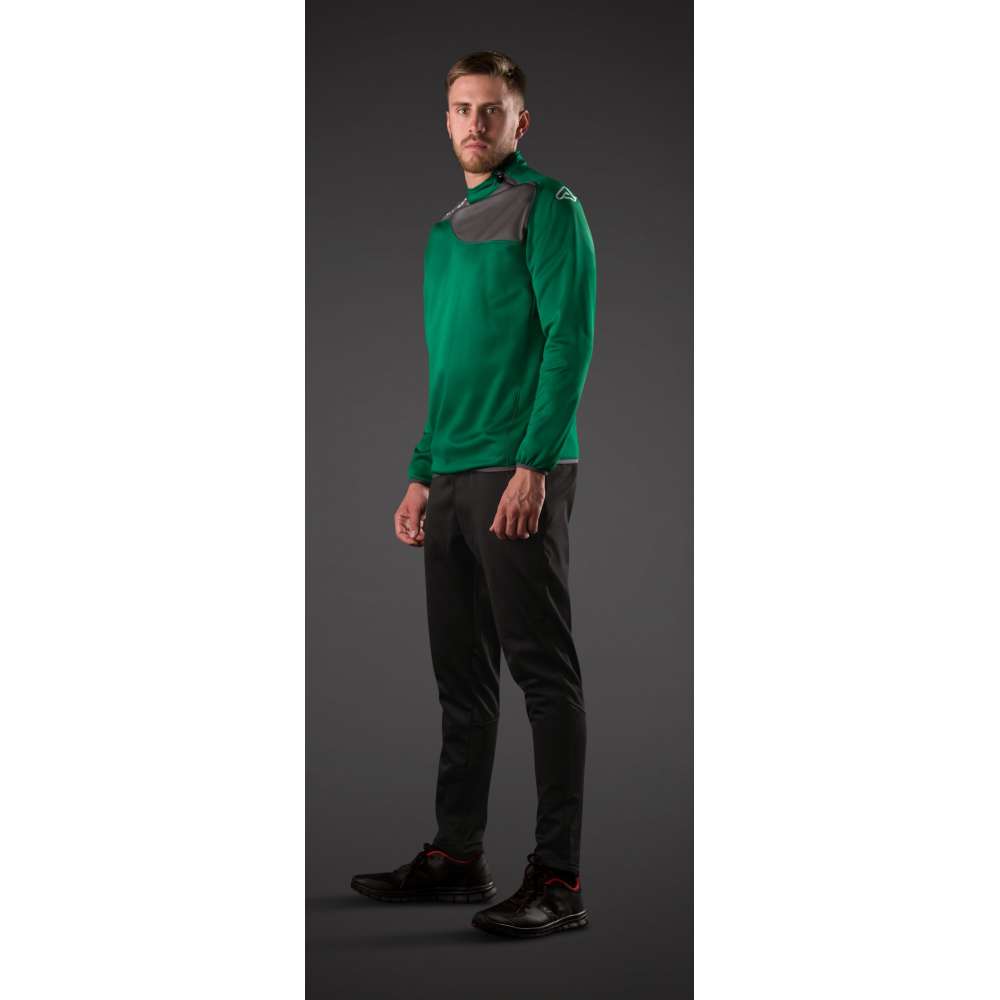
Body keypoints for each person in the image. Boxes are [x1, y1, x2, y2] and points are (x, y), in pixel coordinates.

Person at [350, 50, 596, 940]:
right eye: (462, 108)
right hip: (453, 474)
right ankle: (458, 856)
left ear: (520, 122)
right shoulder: (443, 230)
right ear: (446, 119)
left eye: (493, 109)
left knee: (542, 674)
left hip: (515, 471)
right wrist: (421, 471)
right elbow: (449, 366)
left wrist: (534, 463)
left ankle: (559, 878)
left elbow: (570, 338)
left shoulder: (549, 206)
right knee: (462, 679)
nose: (476, 123)